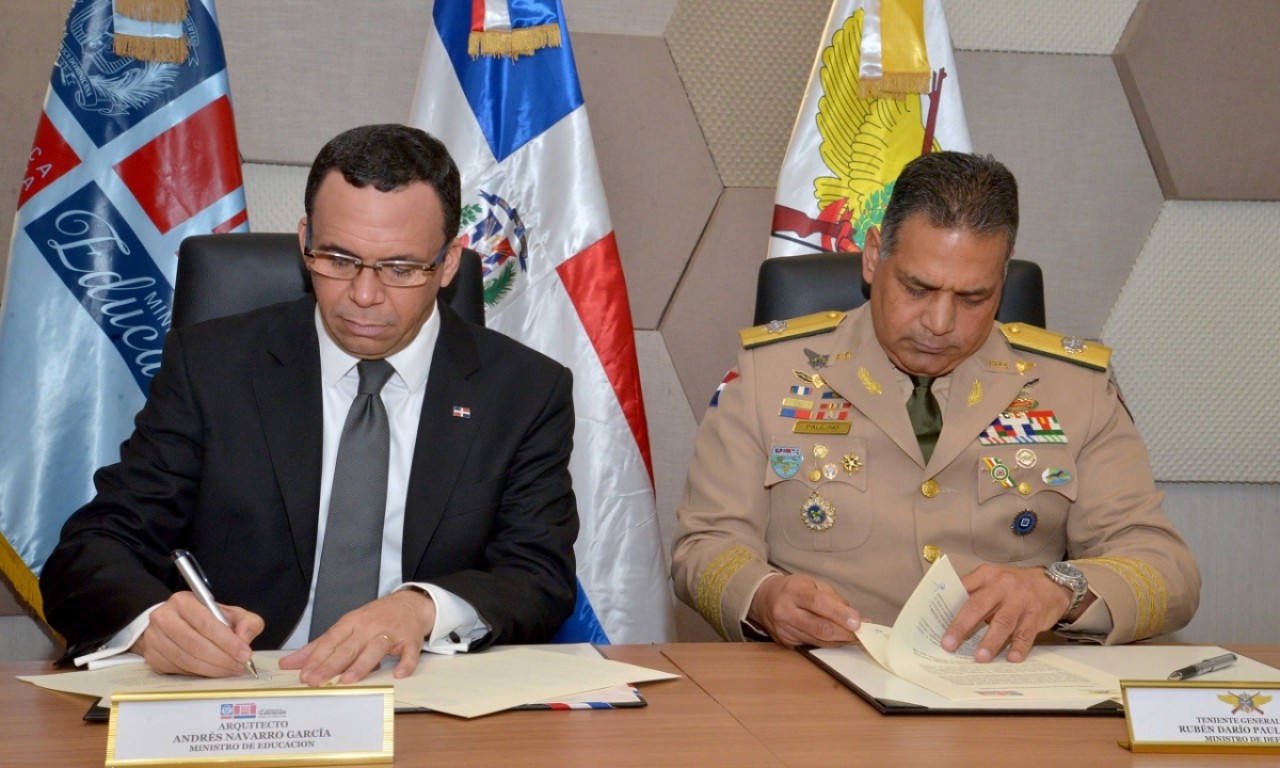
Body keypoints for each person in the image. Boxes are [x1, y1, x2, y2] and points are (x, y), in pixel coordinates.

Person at [40, 124, 578, 685]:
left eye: (400, 269)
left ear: (447, 265)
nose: (365, 296)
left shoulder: (523, 391)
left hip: (420, 690)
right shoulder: (212, 366)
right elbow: (94, 548)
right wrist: (152, 623)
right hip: (241, 692)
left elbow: (538, 575)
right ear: (304, 243)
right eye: (339, 260)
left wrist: (423, 607)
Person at [672, 152, 1199, 663]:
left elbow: (1168, 572)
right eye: (917, 288)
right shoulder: (769, 375)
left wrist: (1061, 590)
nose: (940, 322)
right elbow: (704, 546)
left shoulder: (1074, 389)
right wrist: (763, 596)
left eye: (972, 298)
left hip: (1006, 690)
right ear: (875, 255)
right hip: (822, 681)